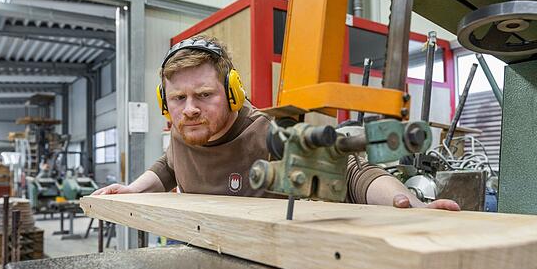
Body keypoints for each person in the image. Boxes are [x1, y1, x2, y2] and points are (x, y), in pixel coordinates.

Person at [93, 35, 459, 211]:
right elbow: (170, 165)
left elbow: (351, 174)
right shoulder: (183, 131)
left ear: (233, 92)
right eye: (178, 99)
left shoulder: (268, 135)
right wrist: (135, 189)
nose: (188, 109)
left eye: (204, 95)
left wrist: (408, 202)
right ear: (165, 102)